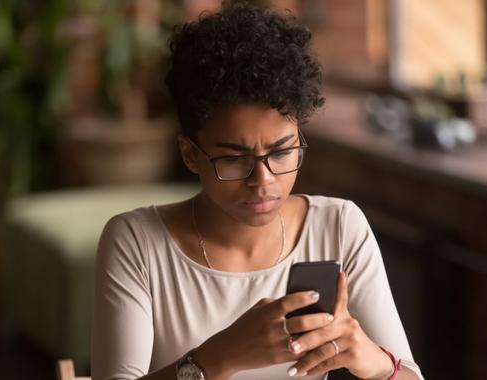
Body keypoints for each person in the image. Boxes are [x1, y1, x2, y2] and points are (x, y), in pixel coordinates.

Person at [91, 3, 423, 380]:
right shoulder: (137, 243)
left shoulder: (339, 227)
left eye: (282, 152)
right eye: (234, 160)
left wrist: (373, 360)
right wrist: (218, 357)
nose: (263, 180)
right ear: (190, 154)